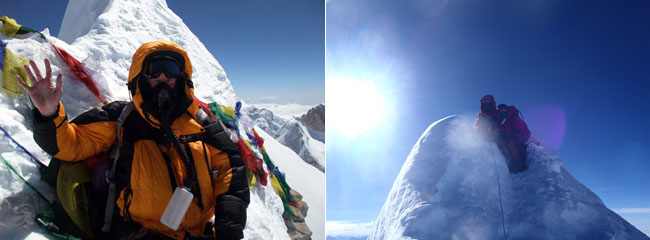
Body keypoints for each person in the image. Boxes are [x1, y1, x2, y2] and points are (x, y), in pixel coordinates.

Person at [16, 40, 249, 239]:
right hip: (136, 233)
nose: (163, 77)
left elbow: (232, 169)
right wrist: (48, 114)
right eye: (154, 69)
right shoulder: (122, 118)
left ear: (182, 77)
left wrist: (228, 228)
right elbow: (71, 145)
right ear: (140, 76)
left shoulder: (201, 123)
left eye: (170, 69)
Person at [496, 103, 530, 173]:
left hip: (518, 144)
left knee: (511, 142)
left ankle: (518, 166)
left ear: (507, 110)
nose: (502, 112)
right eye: (500, 111)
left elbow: (525, 132)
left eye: (503, 110)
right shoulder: (504, 123)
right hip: (510, 145)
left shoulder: (514, 119)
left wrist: (517, 135)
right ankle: (510, 165)